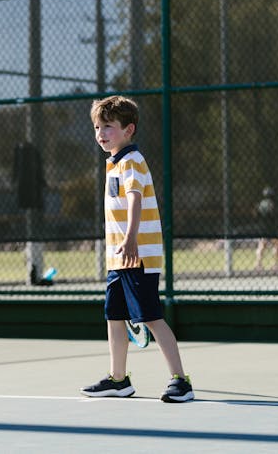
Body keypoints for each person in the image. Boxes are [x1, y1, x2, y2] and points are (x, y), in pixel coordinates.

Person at [80, 95, 194, 403]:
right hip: (119, 258)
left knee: (151, 317)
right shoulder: (114, 163)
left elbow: (135, 199)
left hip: (138, 255)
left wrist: (130, 239)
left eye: (108, 127)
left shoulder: (132, 161)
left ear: (129, 129)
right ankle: (119, 380)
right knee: (114, 317)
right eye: (97, 127)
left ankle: (181, 381)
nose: (100, 133)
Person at [255, 186, 278, 271]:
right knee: (276, 245)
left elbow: (256, 216)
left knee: (261, 245)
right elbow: (274, 216)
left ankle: (259, 264)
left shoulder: (260, 204)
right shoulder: (272, 204)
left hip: (262, 228)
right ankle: (275, 265)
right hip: (272, 228)